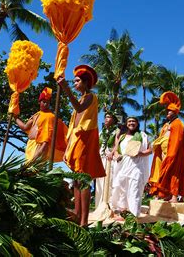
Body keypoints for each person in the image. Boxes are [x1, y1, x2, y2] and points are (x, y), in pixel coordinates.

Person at [57, 65, 106, 227]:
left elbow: (78, 109)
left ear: (86, 83)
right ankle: (77, 215)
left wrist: (65, 88)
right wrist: (69, 145)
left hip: (86, 139)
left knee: (83, 179)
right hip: (77, 140)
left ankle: (84, 220)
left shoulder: (91, 97)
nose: (74, 83)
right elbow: (74, 124)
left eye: (77, 81)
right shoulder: (81, 98)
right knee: (77, 180)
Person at [149, 91, 184, 203]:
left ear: (175, 112)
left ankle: (174, 196)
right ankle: (167, 194)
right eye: (167, 111)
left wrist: (172, 155)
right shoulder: (166, 125)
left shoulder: (178, 123)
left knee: (174, 174)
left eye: (170, 111)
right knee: (165, 174)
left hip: (173, 154)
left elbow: (177, 140)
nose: (167, 113)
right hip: (164, 154)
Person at [110, 116, 152, 217]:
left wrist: (141, 153)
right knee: (121, 189)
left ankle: (134, 216)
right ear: (126, 124)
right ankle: (123, 212)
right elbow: (115, 150)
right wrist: (117, 156)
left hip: (136, 167)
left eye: (133, 121)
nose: (131, 123)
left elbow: (150, 150)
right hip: (123, 167)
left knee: (134, 190)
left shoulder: (142, 135)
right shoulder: (122, 136)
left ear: (137, 124)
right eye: (129, 121)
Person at [15, 87, 68, 162]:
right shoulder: (36, 115)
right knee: (27, 170)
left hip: (40, 147)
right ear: (39, 102)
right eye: (44, 101)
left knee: (33, 170)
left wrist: (37, 155)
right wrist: (15, 118)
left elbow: (46, 140)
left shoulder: (50, 116)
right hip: (30, 145)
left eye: (48, 102)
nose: (46, 104)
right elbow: (25, 127)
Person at [94, 111, 120, 209]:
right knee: (100, 183)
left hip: (110, 160)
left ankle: (110, 207)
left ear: (114, 120)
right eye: (105, 117)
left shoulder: (117, 131)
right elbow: (99, 146)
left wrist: (112, 152)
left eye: (109, 117)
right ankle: (99, 206)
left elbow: (117, 144)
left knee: (110, 182)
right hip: (101, 159)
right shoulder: (102, 132)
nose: (106, 119)